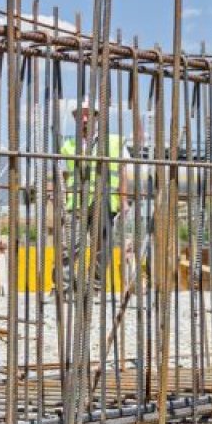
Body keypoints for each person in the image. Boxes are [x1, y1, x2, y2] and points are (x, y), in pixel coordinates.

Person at [58, 105, 135, 295]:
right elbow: (63, 175)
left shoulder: (114, 142)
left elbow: (123, 171)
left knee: (103, 248)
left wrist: (124, 200)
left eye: (88, 115)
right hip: (76, 201)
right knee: (69, 246)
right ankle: (65, 288)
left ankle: (95, 287)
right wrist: (61, 199)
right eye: (80, 116)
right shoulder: (68, 144)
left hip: (105, 199)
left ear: (96, 117)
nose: (84, 120)